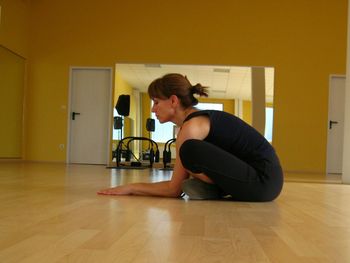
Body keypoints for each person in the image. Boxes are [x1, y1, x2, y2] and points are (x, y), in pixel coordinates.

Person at [98, 73, 283, 201]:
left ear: (173, 101)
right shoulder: (195, 123)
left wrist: (131, 188)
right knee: (189, 153)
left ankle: (217, 189)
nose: (153, 108)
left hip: (263, 183)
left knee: (189, 150)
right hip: (266, 182)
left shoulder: (191, 128)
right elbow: (177, 186)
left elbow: (174, 190)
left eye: (156, 102)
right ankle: (216, 189)